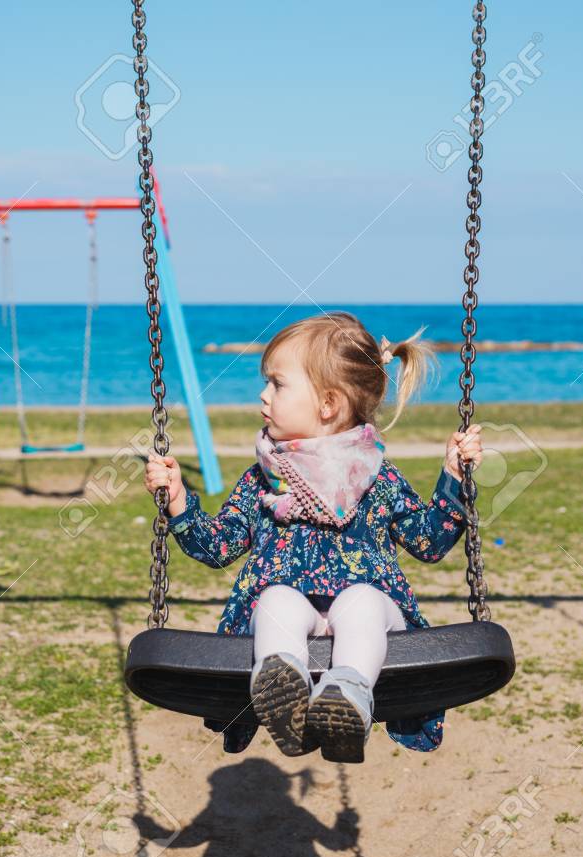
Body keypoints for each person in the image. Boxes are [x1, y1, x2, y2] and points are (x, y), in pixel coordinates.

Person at [144, 311, 482, 763]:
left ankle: (346, 696)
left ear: (327, 404)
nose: (262, 395)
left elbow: (429, 542)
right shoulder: (262, 480)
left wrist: (454, 478)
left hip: (371, 620)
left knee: (361, 599)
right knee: (277, 599)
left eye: (277, 384)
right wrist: (179, 501)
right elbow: (218, 545)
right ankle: (284, 695)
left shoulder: (377, 478)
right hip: (287, 621)